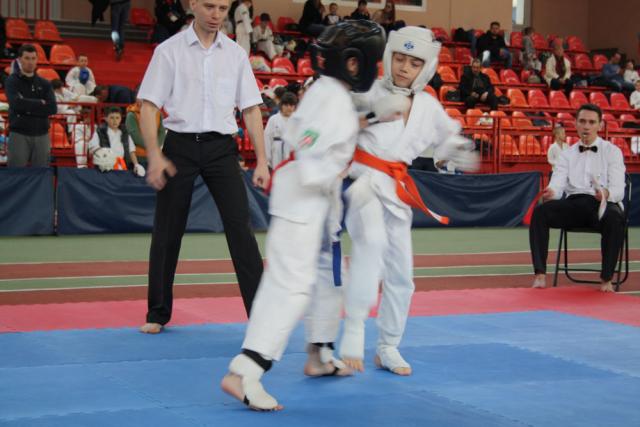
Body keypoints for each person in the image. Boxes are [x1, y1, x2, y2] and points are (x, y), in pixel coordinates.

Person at [220, 20, 385, 412]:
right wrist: (346, 177)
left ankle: (319, 352)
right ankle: (246, 371)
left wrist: (368, 122)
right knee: (289, 287)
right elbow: (310, 150)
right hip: (303, 201)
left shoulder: (330, 92)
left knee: (329, 275)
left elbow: (320, 136)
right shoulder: (331, 98)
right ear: (354, 63)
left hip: (316, 204)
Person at [337, 26, 477, 375]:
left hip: (397, 192)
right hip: (364, 184)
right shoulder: (367, 89)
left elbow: (447, 138)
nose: (404, 67)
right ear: (388, 57)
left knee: (402, 275)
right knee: (371, 251)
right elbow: (335, 128)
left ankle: (388, 346)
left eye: (414, 63)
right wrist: (371, 114)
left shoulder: (429, 106)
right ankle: (353, 330)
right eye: (399, 58)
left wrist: (457, 151)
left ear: (426, 68)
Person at [137, 0, 270, 334]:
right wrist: (154, 154)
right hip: (179, 147)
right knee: (167, 230)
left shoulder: (236, 54)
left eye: (223, 8)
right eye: (209, 6)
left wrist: (262, 160)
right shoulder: (169, 51)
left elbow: (251, 109)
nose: (216, 15)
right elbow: (149, 105)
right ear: (193, 4)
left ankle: (262, 316)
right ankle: (157, 313)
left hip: (221, 149)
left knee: (240, 227)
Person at [529, 104, 626, 293]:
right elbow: (558, 184)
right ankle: (540, 275)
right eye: (582, 121)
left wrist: (606, 193)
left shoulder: (612, 151)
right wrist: (551, 191)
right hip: (574, 205)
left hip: (602, 205)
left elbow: (618, 189)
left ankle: (606, 279)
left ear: (600, 125)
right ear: (575, 124)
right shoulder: (566, 155)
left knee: (615, 218)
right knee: (540, 212)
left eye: (591, 122)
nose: (586, 126)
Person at [5, 44, 57, 167]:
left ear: (37, 60)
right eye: (27, 58)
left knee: (41, 174)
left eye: (33, 58)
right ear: (20, 59)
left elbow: (52, 108)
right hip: (19, 134)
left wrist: (25, 105)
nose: (30, 62)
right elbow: (15, 103)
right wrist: (39, 103)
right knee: (16, 173)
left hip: (42, 135)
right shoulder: (12, 81)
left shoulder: (45, 83)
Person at [88, 106, 145, 175]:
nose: (115, 121)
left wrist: (136, 164)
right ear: (106, 118)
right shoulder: (100, 132)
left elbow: (131, 151)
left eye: (117, 118)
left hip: (122, 166)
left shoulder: (124, 133)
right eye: (112, 118)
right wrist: (104, 154)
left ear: (121, 119)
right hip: (105, 167)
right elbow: (93, 147)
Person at [264, 91, 297, 169]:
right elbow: (267, 139)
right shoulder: (273, 119)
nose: (289, 108)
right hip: (276, 150)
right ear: (281, 105)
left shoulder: (297, 120)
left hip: (291, 150)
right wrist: (267, 159)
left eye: (291, 105)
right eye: (286, 105)